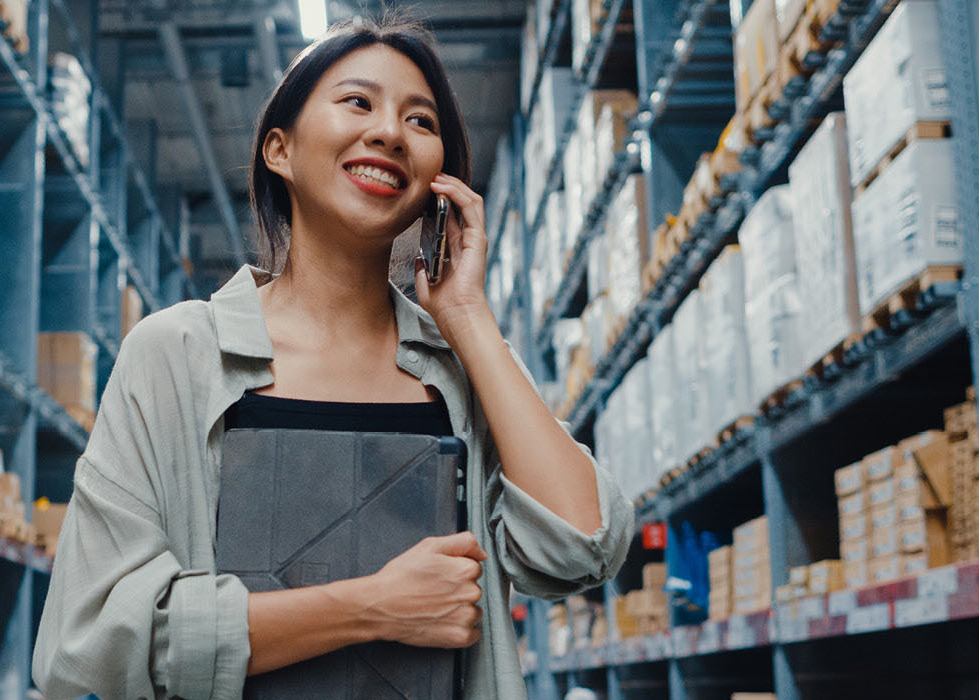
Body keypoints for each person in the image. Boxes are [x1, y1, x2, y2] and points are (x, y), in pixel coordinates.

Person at [32, 18, 634, 700]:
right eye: (358, 102)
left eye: (420, 120)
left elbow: (583, 546)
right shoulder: (178, 356)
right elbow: (92, 640)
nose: (389, 132)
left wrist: (467, 317)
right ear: (279, 150)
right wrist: (375, 606)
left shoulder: (460, 369)